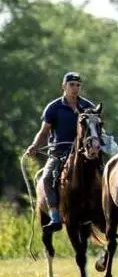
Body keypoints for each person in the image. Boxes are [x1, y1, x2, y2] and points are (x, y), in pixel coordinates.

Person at [26, 72, 96, 231]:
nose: (75, 88)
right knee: (47, 178)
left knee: (103, 175)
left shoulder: (87, 107)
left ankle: (102, 211)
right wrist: (34, 145)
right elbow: (44, 132)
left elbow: (95, 131)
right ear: (64, 86)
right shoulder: (53, 107)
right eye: (71, 85)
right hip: (59, 151)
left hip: (83, 153)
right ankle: (55, 216)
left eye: (78, 85)